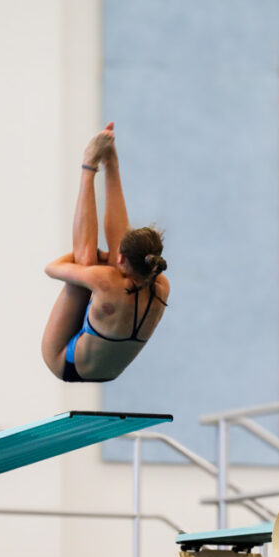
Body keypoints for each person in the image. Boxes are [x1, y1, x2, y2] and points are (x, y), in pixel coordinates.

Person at [41, 123, 169, 383]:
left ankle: (90, 167)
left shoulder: (105, 280)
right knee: (94, 271)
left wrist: (98, 259)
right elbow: (122, 265)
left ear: (122, 258)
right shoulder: (162, 285)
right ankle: (110, 162)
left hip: (63, 361)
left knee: (84, 263)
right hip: (108, 371)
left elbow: (52, 268)